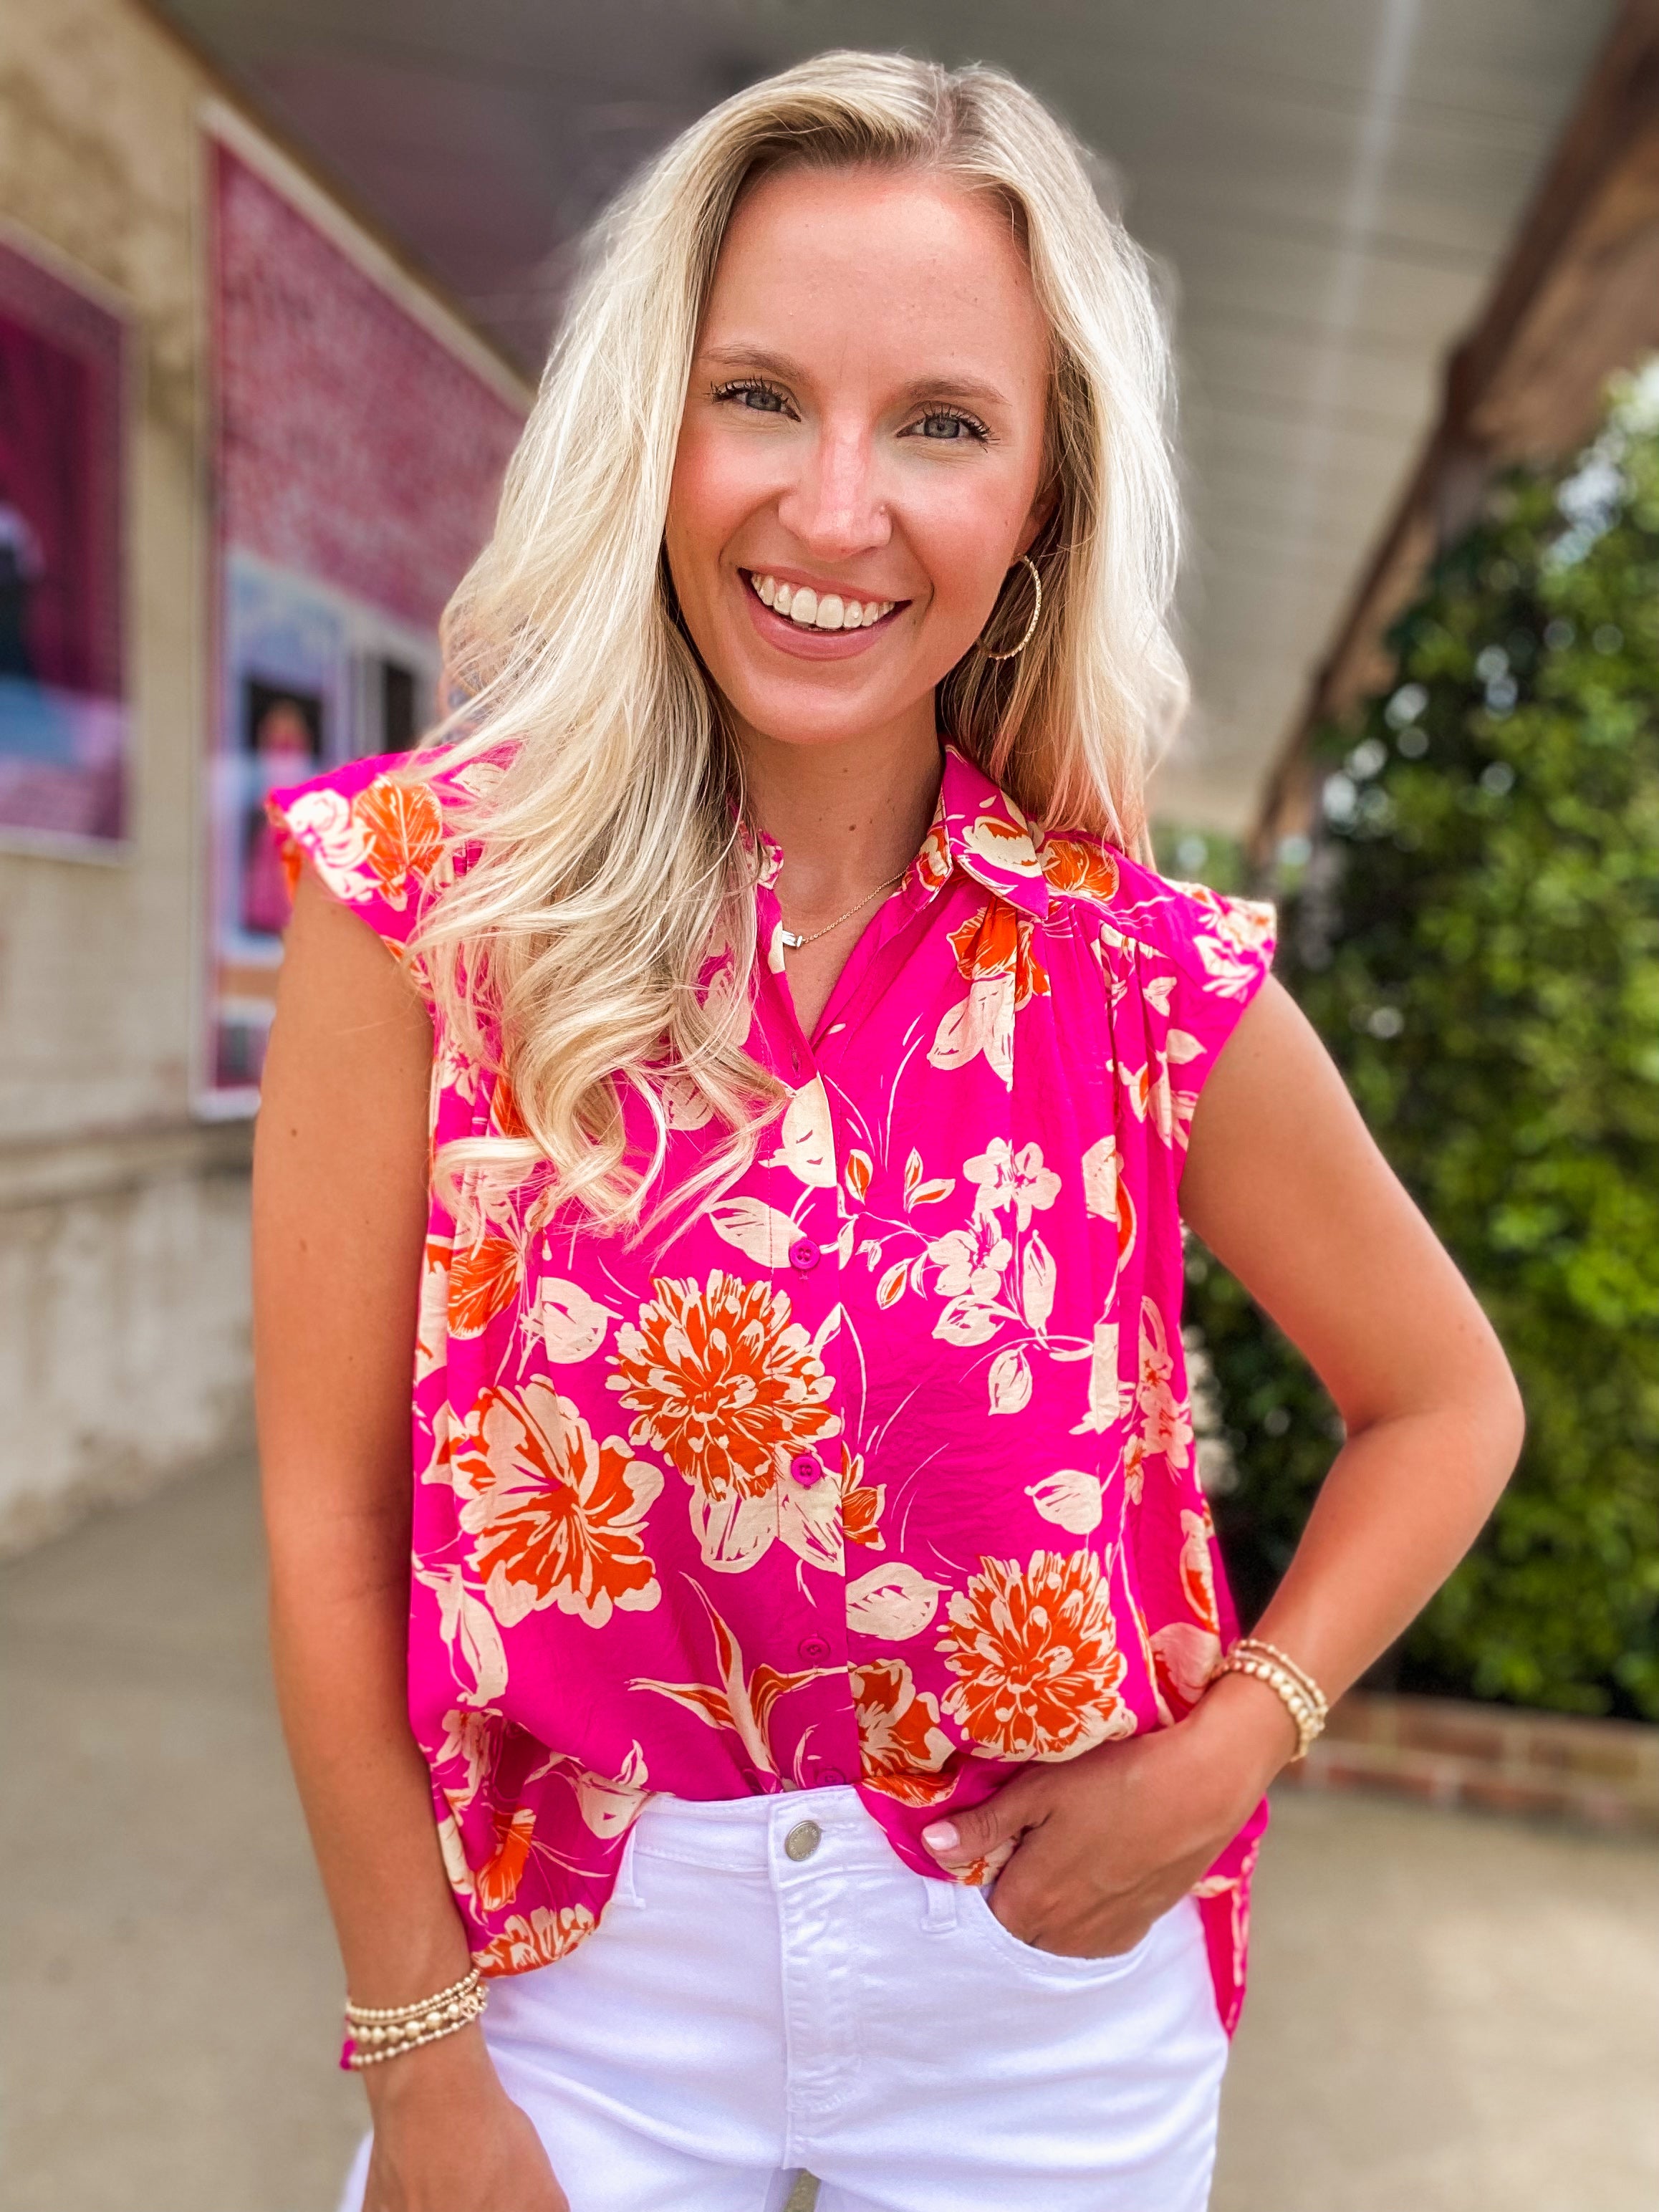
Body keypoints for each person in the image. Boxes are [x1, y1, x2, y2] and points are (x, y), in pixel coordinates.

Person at [253, 52, 1523, 2212]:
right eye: (758, 395)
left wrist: (1232, 1748)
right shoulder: (426, 908)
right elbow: (324, 1523)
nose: (831, 512)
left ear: (1038, 495)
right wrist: (416, 2061)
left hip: (1036, 1997)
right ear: (651, 427)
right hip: (572, 1973)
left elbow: (1443, 1401)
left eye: (938, 424)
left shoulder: (1134, 978)